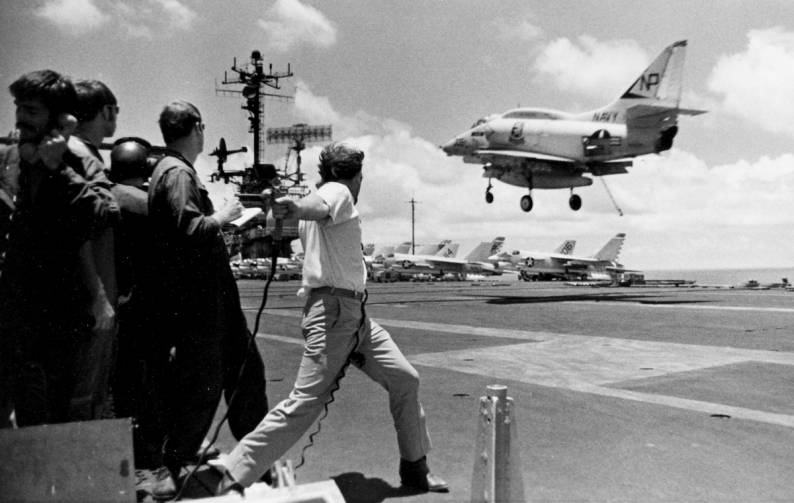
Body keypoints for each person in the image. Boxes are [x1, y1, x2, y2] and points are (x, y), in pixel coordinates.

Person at [217, 142, 448, 494]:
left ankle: (416, 469)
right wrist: (293, 206)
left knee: (404, 379)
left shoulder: (322, 197)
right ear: (355, 177)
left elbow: (299, 213)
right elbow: (317, 206)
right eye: (360, 178)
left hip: (354, 317)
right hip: (334, 315)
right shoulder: (339, 192)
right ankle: (233, 473)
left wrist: (286, 208)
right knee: (305, 403)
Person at [146, 100, 269, 499]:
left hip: (210, 297)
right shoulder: (178, 173)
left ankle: (254, 455)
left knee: (244, 371)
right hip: (202, 301)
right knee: (204, 382)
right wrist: (227, 215)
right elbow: (189, 226)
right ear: (196, 128)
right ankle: (173, 459)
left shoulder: (170, 170)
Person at [0, 69, 117, 427]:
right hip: (20, 317)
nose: (21, 118)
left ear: (62, 118)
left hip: (62, 322)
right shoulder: (18, 156)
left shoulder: (77, 160)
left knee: (62, 420)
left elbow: (102, 215)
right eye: (19, 107)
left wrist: (58, 170)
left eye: (31, 110)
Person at [68, 78, 120, 420]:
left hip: (95, 297)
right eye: (115, 111)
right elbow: (76, 232)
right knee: (82, 395)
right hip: (90, 302)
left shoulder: (83, 153)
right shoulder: (78, 155)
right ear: (104, 111)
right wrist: (99, 296)